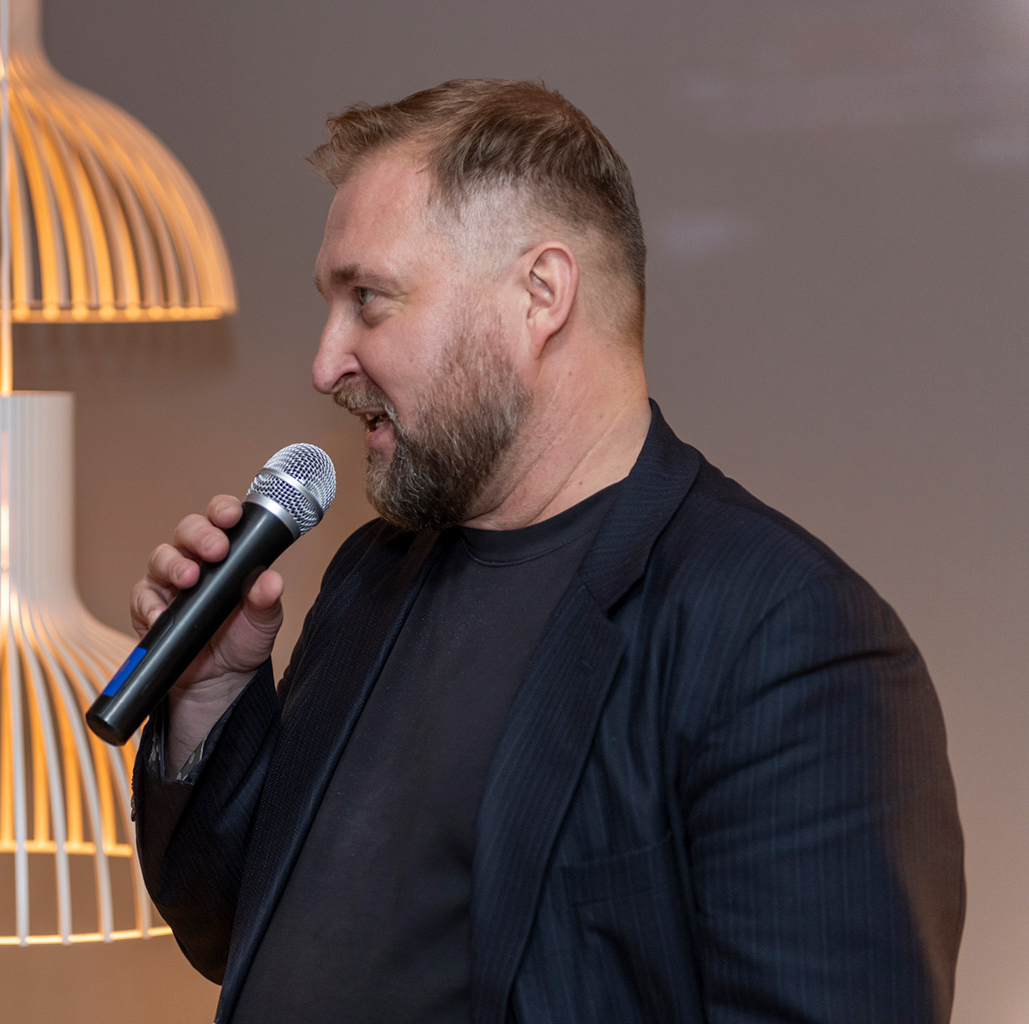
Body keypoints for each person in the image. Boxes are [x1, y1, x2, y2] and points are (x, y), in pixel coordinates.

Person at [128, 79, 964, 1024]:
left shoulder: (792, 640)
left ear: (541, 295)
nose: (325, 364)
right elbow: (236, 928)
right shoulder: (370, 575)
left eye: (369, 300)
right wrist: (205, 697)